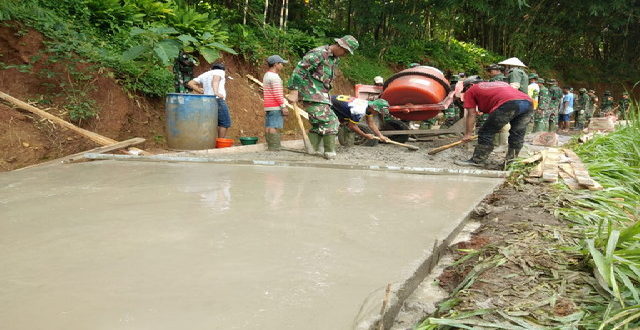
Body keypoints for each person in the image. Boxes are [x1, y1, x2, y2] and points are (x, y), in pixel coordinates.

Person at [286, 35, 359, 160]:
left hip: (322, 95)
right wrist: (293, 91)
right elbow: (300, 70)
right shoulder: (319, 53)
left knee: (318, 124)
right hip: (311, 94)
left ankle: (312, 150)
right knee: (331, 121)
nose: (345, 54)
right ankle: (329, 153)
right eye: (345, 51)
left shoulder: (334, 59)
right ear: (340, 45)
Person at [454, 77, 533, 168]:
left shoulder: (471, 90)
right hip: (528, 102)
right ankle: (511, 162)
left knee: (485, 132)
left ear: (471, 85)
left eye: (465, 89)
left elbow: (471, 114)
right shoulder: (498, 84)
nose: (466, 91)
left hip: (509, 103)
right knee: (517, 134)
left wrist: (468, 134)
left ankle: (478, 160)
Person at [187, 63, 232, 138]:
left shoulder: (205, 74)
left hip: (206, 101)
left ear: (212, 69)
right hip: (217, 100)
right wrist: (216, 92)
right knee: (225, 122)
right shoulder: (220, 72)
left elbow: (190, 83)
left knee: (210, 122)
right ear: (223, 70)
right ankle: (220, 143)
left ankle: (207, 142)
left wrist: (199, 90)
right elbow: (215, 80)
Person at [263, 55, 289, 151]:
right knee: (274, 126)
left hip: (268, 105)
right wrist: (283, 106)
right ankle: (274, 147)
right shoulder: (274, 77)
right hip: (275, 106)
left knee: (269, 125)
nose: (282, 65)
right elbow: (277, 93)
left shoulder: (267, 75)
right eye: (281, 63)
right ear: (275, 64)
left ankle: (270, 145)